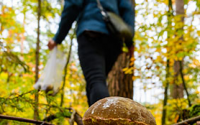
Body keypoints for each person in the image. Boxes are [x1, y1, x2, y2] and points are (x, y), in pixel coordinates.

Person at [48, 0, 135, 106]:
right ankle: (93, 119)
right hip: (114, 39)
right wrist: (129, 42)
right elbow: (127, 9)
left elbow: (73, 5)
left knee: (96, 80)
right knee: (96, 82)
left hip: (91, 32)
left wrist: (58, 38)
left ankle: (104, 120)